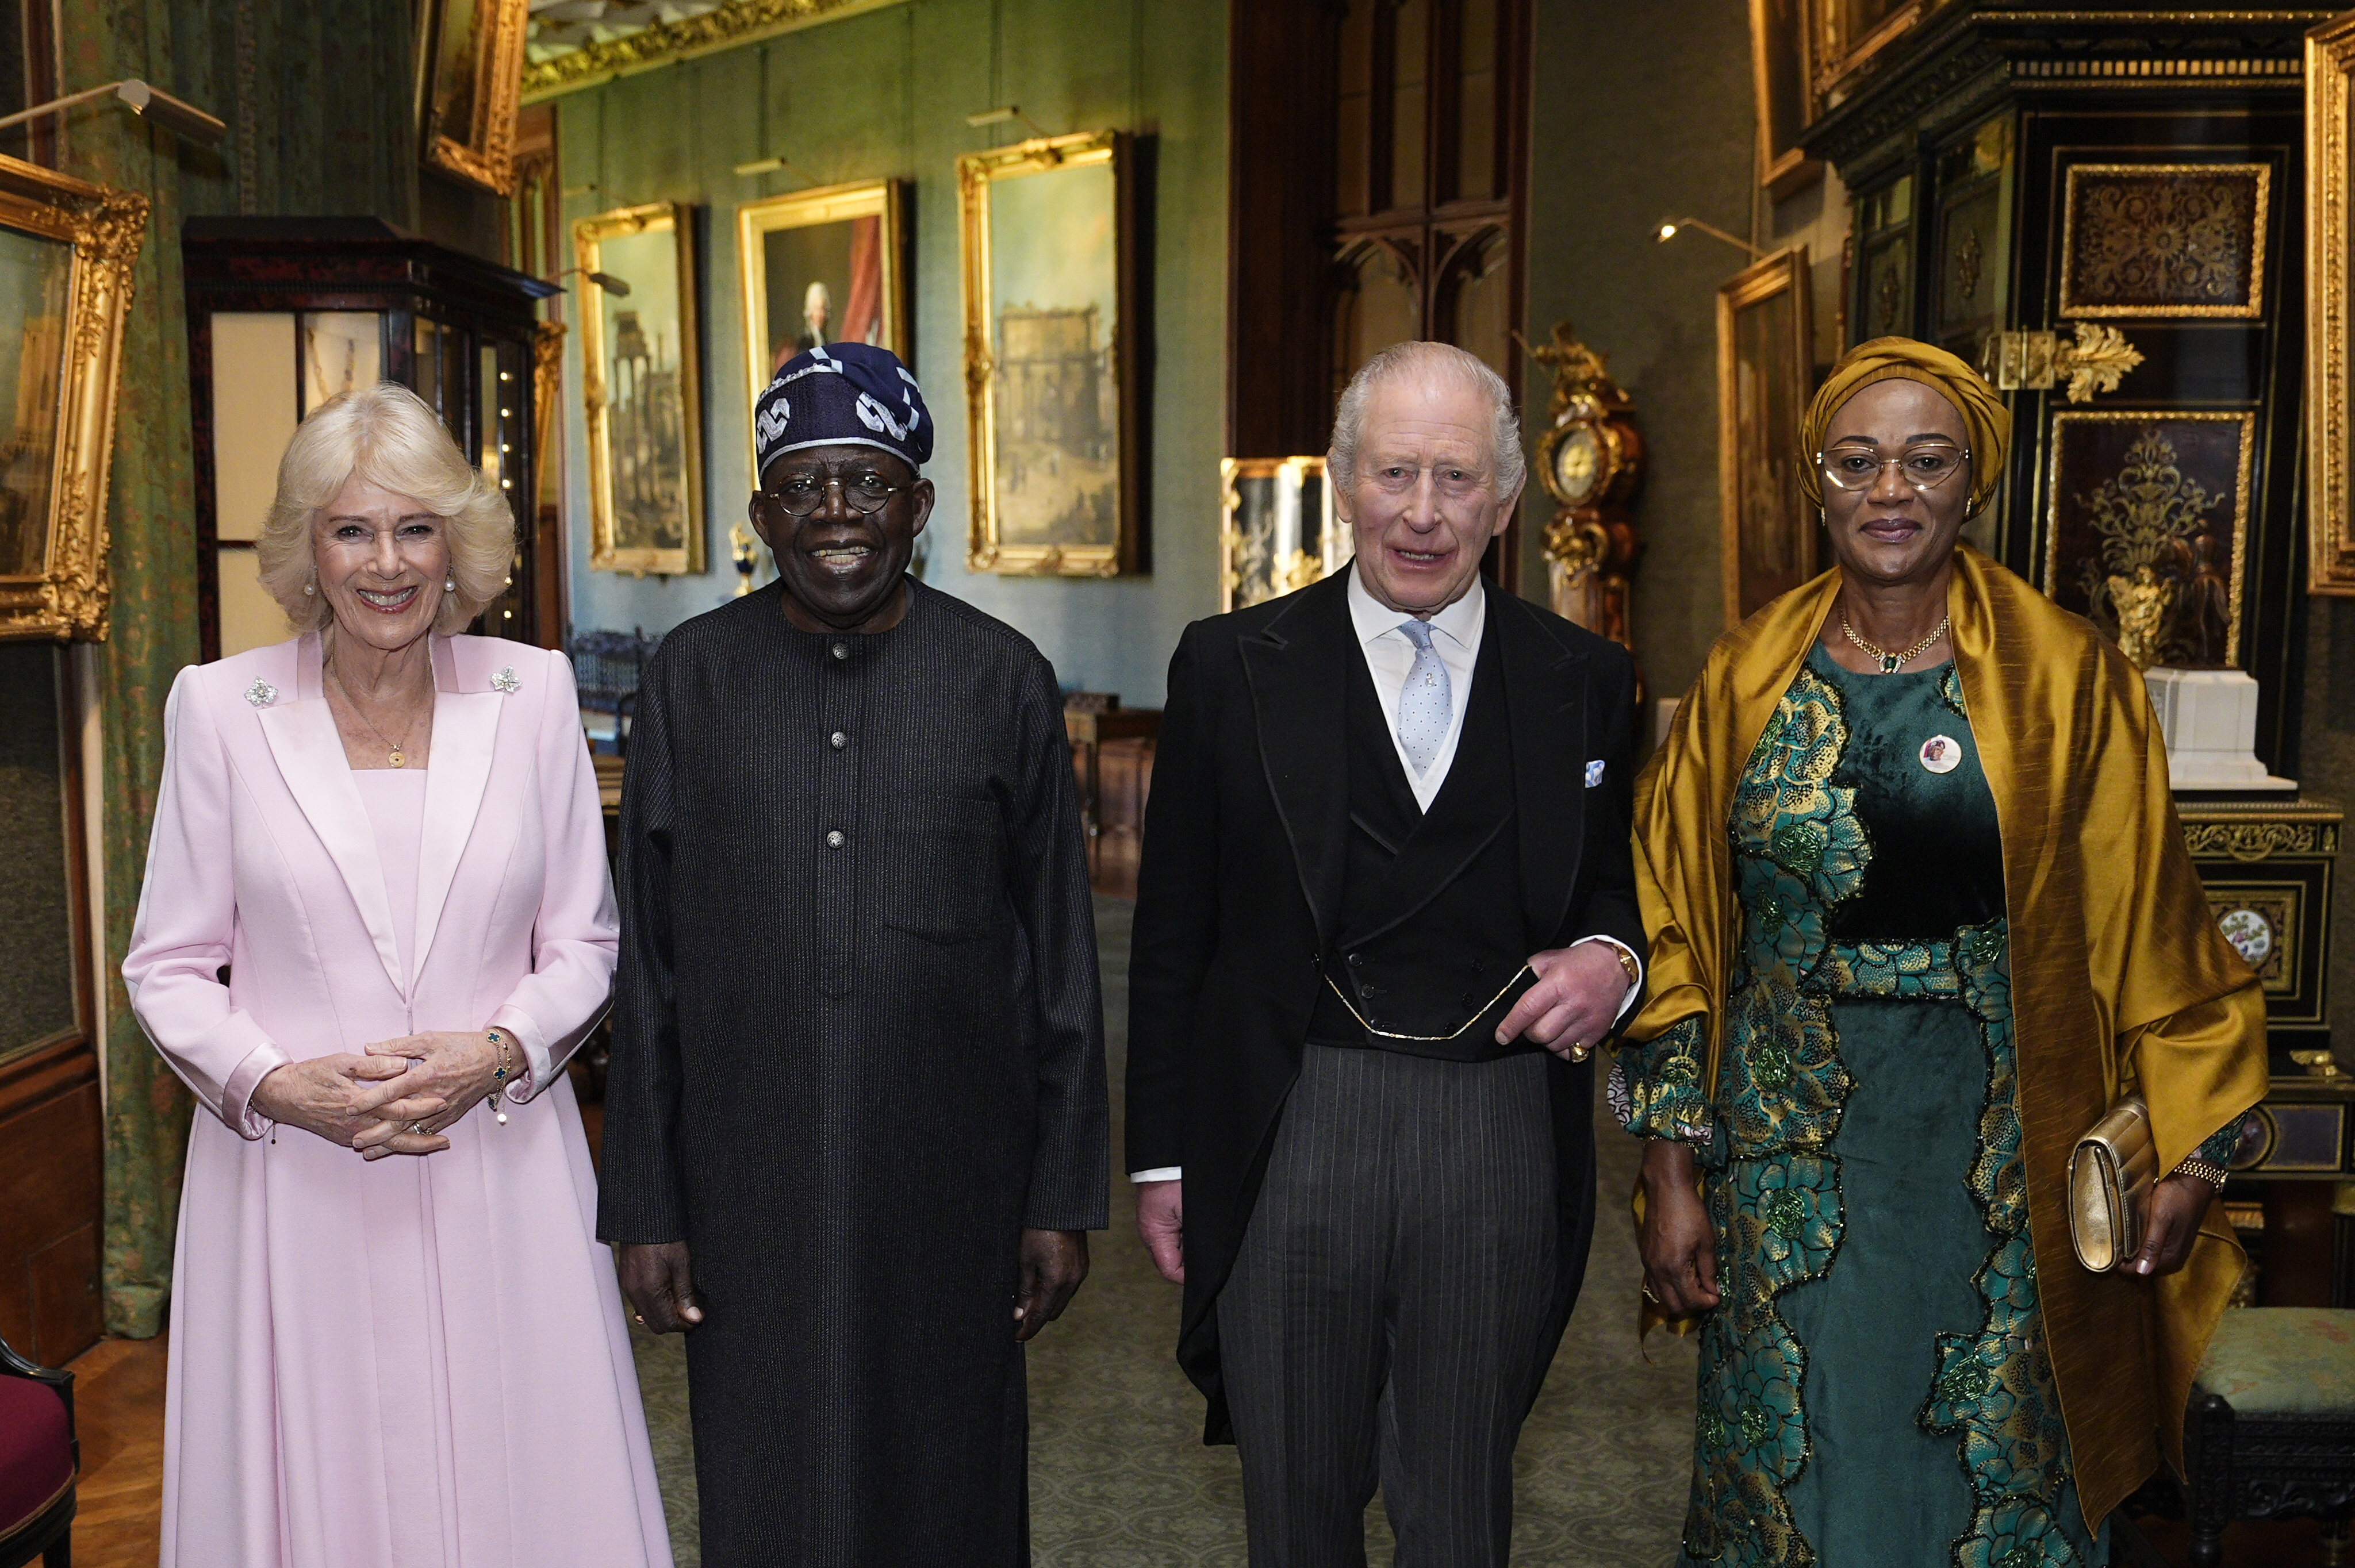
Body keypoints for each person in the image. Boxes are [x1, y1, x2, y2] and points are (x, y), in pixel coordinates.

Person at [1618, 337, 2268, 1566]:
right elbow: (1674, 931)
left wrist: (2185, 1151)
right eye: (1855, 461)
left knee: (1985, 1490)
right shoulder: (1741, 676)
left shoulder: (2071, 679)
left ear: (1972, 484)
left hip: (2000, 1179)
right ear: (1816, 483)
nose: (1889, 490)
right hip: (1784, 1183)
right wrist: (1668, 1168)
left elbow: (2154, 933)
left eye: (1925, 461)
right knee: (1799, 1482)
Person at [123, 383, 669, 1567]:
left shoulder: (533, 698)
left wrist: (499, 1049)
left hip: (501, 1159)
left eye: (415, 527)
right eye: (351, 528)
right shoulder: (219, 709)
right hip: (297, 1175)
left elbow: (586, 939)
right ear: (306, 549)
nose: (386, 561)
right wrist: (273, 1082)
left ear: (457, 547)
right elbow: (166, 963)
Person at [1127, 340, 1646, 1564]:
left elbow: (1618, 887)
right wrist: (1161, 1157)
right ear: (1344, 481)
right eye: (1395, 473)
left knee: (1462, 1504)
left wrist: (1613, 960)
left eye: (1457, 479)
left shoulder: (1587, 679)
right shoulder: (1228, 665)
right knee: (1295, 1501)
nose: (1422, 514)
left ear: (1506, 500)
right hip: (1291, 1116)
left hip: (1496, 1126)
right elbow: (1172, 934)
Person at [597, 341, 1108, 1565]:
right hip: (743, 1187)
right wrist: (646, 1201)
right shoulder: (689, 681)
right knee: (766, 1486)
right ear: (765, 511)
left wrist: (1058, 1193)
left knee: (949, 1487)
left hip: (953, 1179)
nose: (836, 513)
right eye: (807, 486)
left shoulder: (1000, 678)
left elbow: (1061, 960)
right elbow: (647, 970)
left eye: (867, 483)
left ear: (916, 506)